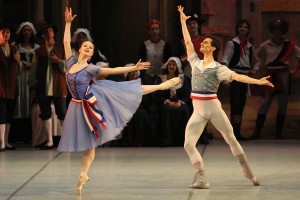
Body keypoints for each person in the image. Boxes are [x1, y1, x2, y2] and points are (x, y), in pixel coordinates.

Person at [58, 8, 181, 195]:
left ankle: (161, 87)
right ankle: (84, 174)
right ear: (80, 49)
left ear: (91, 54)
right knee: (90, 145)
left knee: (129, 90)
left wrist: (135, 66)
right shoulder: (70, 63)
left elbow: (113, 70)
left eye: (90, 48)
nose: (87, 48)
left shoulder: (91, 68)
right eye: (85, 46)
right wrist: (68, 23)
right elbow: (66, 42)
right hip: (77, 106)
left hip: (93, 101)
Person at [178, 5, 274, 189]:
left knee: (231, 139)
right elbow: (188, 42)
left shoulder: (219, 68)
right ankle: (202, 179)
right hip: (198, 110)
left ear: (213, 48)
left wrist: (258, 82)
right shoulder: (195, 62)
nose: (203, 44)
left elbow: (238, 77)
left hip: (212, 107)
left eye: (206, 43)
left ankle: (248, 171)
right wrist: (183, 21)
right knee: (188, 144)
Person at [251, 18, 300, 139]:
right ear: (272, 30)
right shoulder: (265, 45)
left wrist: (295, 70)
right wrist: (260, 70)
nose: (278, 31)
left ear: (283, 30)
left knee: (283, 103)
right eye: (275, 29)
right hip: (270, 74)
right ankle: (257, 132)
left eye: (280, 29)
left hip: (283, 73)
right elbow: (255, 57)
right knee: (265, 102)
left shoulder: (289, 45)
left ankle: (279, 133)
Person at [28, 23, 67, 150]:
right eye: (46, 32)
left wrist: (58, 61)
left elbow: (69, 68)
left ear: (53, 33)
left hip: (58, 86)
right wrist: (33, 85)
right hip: (43, 87)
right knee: (45, 113)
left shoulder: (62, 48)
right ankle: (49, 141)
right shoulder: (38, 52)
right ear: (43, 36)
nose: (49, 32)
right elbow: (33, 70)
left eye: (50, 30)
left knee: (62, 112)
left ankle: (66, 140)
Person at [221, 20, 259, 140]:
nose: (242, 28)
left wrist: (255, 69)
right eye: (241, 27)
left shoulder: (249, 46)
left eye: (245, 27)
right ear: (237, 29)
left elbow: (256, 60)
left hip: (244, 77)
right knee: (235, 104)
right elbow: (225, 60)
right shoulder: (231, 44)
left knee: (241, 104)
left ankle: (237, 131)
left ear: (248, 30)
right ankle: (234, 133)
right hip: (235, 75)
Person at [176, 14, 210, 145]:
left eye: (194, 23)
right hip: (187, 76)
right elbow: (177, 60)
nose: (192, 25)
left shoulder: (205, 41)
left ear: (198, 25)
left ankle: (203, 134)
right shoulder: (182, 42)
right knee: (190, 107)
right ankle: (191, 136)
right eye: (189, 24)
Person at [138, 19, 172, 145]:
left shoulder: (165, 44)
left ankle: (161, 137)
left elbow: (169, 62)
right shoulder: (144, 44)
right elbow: (140, 63)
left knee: (160, 106)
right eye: (152, 29)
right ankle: (149, 137)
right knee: (148, 107)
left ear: (160, 30)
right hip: (148, 77)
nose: (154, 31)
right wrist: (141, 79)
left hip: (161, 78)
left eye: (156, 28)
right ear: (149, 31)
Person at [12, 22, 40, 144]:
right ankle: (17, 134)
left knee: (30, 103)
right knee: (19, 103)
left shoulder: (37, 48)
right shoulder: (15, 46)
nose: (27, 32)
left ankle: (29, 135)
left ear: (32, 32)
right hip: (19, 76)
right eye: (25, 30)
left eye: (29, 30)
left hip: (31, 77)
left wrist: (31, 65)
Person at [158, 57, 190, 147]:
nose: (171, 66)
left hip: (179, 102)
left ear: (177, 67)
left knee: (184, 110)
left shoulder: (183, 79)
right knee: (166, 110)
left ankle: (181, 140)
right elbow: (158, 95)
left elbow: (186, 94)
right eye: (170, 64)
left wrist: (180, 102)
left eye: (174, 65)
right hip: (166, 102)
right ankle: (166, 140)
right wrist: (168, 102)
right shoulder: (161, 79)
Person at [0, 23, 20, 151]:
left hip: (11, 85)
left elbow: (19, 66)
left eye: (7, 32)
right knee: (1, 113)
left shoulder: (14, 49)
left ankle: (6, 141)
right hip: (0, 85)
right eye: (3, 32)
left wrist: (17, 60)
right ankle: (1, 142)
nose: (5, 35)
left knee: (9, 114)